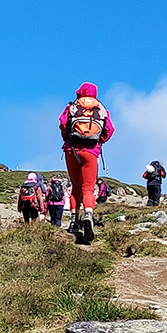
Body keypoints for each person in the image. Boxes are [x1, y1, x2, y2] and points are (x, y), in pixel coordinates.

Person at [59, 82, 114, 244]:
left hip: (72, 149)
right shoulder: (101, 109)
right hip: (91, 151)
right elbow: (110, 130)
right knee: (88, 188)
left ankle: (74, 220)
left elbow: (63, 124)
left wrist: (68, 140)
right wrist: (98, 142)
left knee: (75, 186)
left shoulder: (72, 106)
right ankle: (88, 214)